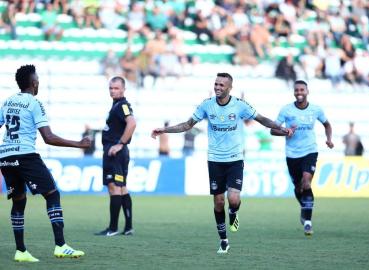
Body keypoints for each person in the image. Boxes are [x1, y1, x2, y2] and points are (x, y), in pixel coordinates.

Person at [151, 73, 293, 254]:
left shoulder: (240, 105)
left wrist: (281, 127)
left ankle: (234, 212)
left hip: (234, 159)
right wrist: (164, 129)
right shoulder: (206, 105)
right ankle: (224, 240)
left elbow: (261, 119)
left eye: (221, 85)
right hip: (215, 160)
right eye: (216, 84)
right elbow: (187, 125)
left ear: (229, 88)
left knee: (233, 199)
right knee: (218, 202)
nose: (218, 87)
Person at [0, 65, 91, 262]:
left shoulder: (7, 102)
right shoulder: (34, 103)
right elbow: (48, 137)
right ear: (34, 83)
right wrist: (79, 144)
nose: (39, 82)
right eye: (38, 79)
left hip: (6, 157)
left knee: (19, 200)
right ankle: (60, 245)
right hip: (26, 155)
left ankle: (21, 250)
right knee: (52, 193)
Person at [271, 80, 334, 236]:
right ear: (294, 92)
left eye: (302, 90)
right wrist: (285, 132)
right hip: (292, 154)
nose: (299, 92)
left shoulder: (316, 110)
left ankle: (307, 221)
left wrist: (329, 139)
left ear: (307, 91)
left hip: (310, 151)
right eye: (296, 90)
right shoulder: (286, 110)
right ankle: (304, 206)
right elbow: (273, 130)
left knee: (306, 182)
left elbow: (327, 125)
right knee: (299, 187)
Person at [95, 76, 136, 236]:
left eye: (116, 88)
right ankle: (128, 227)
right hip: (116, 153)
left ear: (123, 89)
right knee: (122, 187)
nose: (113, 91)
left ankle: (113, 228)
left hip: (115, 153)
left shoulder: (122, 105)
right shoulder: (117, 105)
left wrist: (120, 143)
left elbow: (132, 123)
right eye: (111, 88)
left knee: (114, 187)